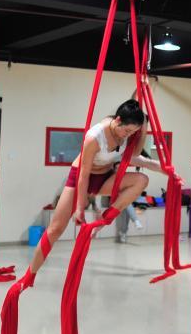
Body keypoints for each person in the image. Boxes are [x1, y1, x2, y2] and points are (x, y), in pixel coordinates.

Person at [24, 99, 171, 278]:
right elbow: (84, 175)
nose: (128, 135)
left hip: (104, 178)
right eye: (127, 131)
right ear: (117, 120)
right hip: (80, 176)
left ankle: (105, 217)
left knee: (141, 180)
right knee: (55, 229)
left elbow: (139, 156)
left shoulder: (126, 134)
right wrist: (80, 208)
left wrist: (172, 173)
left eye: (133, 132)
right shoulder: (95, 137)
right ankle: (29, 275)